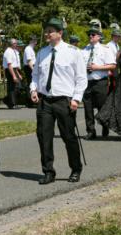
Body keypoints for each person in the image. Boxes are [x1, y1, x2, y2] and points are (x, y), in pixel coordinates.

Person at [29, 18, 87, 184]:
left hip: (64, 101)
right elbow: (35, 75)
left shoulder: (73, 52)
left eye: (50, 31)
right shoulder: (42, 53)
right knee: (44, 136)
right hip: (45, 101)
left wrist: (76, 99)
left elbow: (81, 78)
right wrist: (33, 89)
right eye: (46, 31)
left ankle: (75, 169)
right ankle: (48, 171)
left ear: (60, 33)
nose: (47, 34)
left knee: (68, 136)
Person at [82, 26, 116, 139]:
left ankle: (105, 126)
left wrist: (98, 67)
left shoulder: (105, 49)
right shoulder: (84, 50)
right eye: (89, 34)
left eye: (93, 34)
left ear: (99, 37)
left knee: (102, 106)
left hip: (100, 82)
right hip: (87, 82)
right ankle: (91, 131)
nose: (90, 36)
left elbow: (113, 65)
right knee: (88, 108)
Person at [2, 38, 22, 109]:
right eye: (15, 43)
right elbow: (9, 65)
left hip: (14, 69)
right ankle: (12, 104)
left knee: (17, 87)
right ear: (11, 44)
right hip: (10, 70)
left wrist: (18, 74)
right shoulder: (8, 52)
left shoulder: (13, 51)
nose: (16, 44)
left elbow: (14, 64)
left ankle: (8, 100)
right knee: (12, 88)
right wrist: (13, 76)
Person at [23, 35, 38, 107]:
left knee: (32, 83)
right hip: (29, 67)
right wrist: (33, 70)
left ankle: (32, 101)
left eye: (35, 40)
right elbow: (29, 61)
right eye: (33, 40)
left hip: (31, 67)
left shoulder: (31, 49)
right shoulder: (28, 49)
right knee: (30, 83)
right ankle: (29, 102)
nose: (35, 41)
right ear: (30, 41)